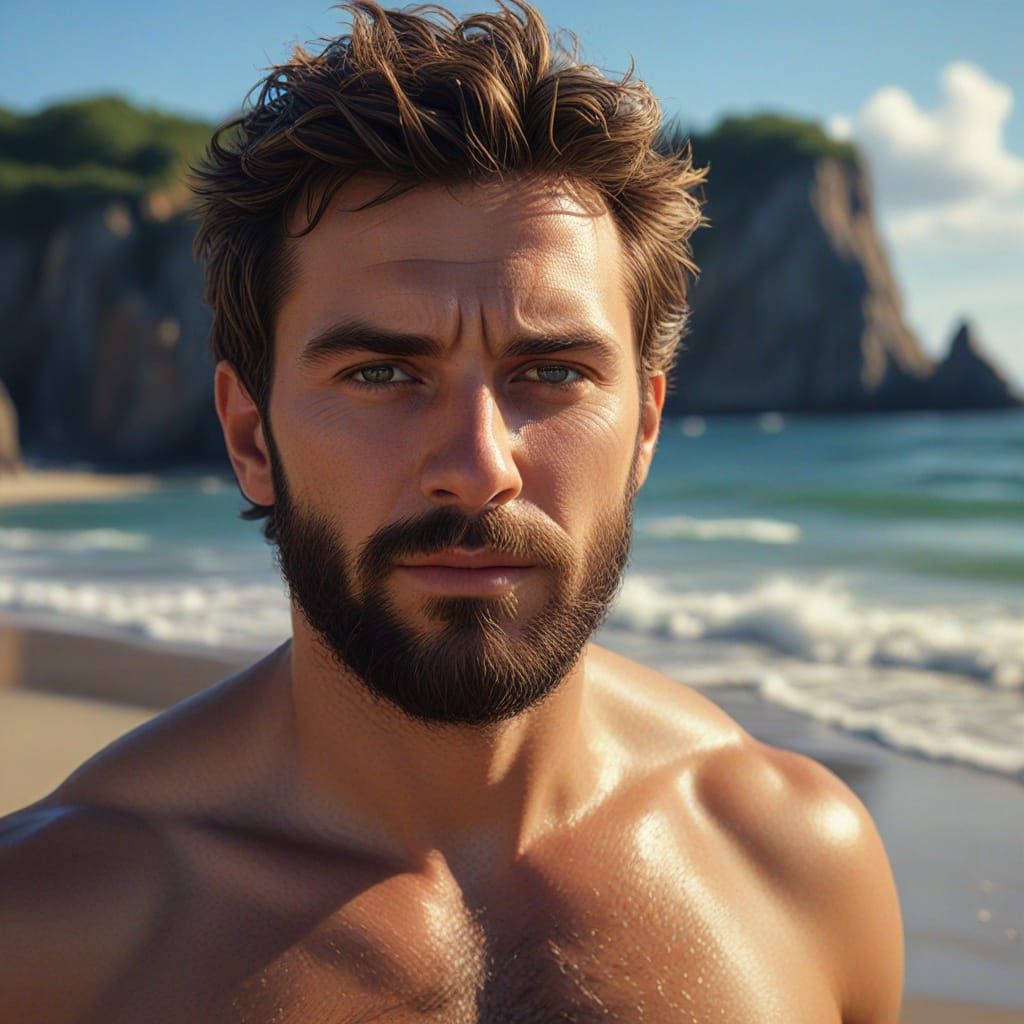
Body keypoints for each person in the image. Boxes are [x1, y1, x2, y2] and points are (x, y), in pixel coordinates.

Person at [0, 2, 904, 1020]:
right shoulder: (47, 935)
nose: (479, 469)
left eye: (552, 371)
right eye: (382, 371)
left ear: (646, 426)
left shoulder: (796, 859)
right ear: (251, 437)